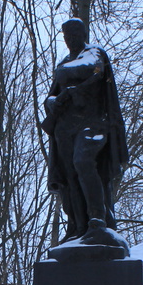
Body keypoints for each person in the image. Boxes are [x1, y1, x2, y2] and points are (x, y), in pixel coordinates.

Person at [40, 18, 130, 248]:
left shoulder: (94, 54)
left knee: (83, 162)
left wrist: (65, 76)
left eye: (73, 34)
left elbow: (93, 70)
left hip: (93, 124)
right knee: (70, 177)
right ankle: (78, 226)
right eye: (66, 36)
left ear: (82, 34)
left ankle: (98, 220)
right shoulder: (66, 62)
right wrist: (52, 102)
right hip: (65, 129)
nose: (69, 39)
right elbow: (52, 94)